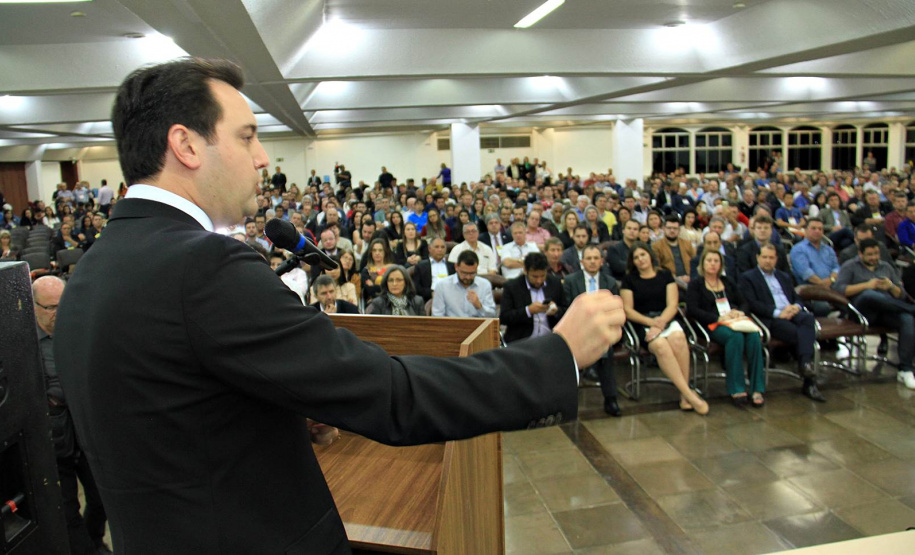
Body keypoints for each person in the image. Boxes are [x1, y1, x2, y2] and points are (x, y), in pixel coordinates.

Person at [53, 58, 625, 554]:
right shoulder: (204, 266)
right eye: (247, 137)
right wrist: (556, 356)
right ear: (186, 145)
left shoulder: (91, 271)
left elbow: (170, 422)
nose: (262, 158)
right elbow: (393, 396)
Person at [33, 276, 111, 555]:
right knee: (66, 510)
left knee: (102, 499)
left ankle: (95, 540)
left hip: (86, 433)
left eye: (62, 305)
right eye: (51, 307)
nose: (58, 312)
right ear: (34, 307)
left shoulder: (78, 331)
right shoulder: (23, 343)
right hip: (54, 441)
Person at [621, 243, 709, 414]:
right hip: (643, 322)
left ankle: (684, 394)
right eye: (636, 257)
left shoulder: (665, 275)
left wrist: (660, 322)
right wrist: (651, 322)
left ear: (650, 255)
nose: (640, 259)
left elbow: (673, 304)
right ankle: (689, 395)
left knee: (678, 339)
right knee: (661, 346)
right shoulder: (629, 280)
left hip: (665, 318)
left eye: (643, 255)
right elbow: (628, 311)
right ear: (632, 262)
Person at [739, 243, 826, 401]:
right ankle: (808, 378)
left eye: (771, 258)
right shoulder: (748, 278)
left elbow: (796, 297)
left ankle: (804, 365)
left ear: (777, 259)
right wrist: (778, 313)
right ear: (757, 258)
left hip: (791, 311)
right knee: (802, 335)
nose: (768, 261)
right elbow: (752, 304)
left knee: (808, 319)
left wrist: (796, 306)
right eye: (764, 257)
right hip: (772, 317)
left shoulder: (784, 276)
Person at [833, 238, 915, 389]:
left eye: (876, 254)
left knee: (907, 319)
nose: (874, 257)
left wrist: (891, 287)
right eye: (870, 254)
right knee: (869, 294)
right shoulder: (850, 266)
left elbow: (901, 294)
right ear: (860, 254)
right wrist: (867, 285)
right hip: (862, 312)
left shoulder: (886, 267)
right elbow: (839, 290)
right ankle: (911, 309)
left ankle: (905, 369)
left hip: (886, 311)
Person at [687, 250, 766, 407]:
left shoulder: (728, 281)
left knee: (754, 336)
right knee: (735, 337)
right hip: (712, 324)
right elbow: (692, 309)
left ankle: (757, 388)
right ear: (702, 264)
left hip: (735, 321)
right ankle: (737, 388)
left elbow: (744, 302)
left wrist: (739, 311)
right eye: (709, 260)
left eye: (716, 261)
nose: (712, 264)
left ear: (721, 264)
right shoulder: (696, 284)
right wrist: (717, 318)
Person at [564, 245, 623, 416]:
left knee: (605, 347)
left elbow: (614, 310)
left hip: (602, 330)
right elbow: (566, 309)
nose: (592, 262)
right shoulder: (570, 281)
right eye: (588, 258)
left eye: (596, 258)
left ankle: (611, 399)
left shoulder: (610, 282)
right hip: (577, 330)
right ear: (582, 262)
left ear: (602, 261)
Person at [501, 251, 565, 343]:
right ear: (525, 271)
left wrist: (556, 311)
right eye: (535, 276)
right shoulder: (512, 287)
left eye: (542, 276)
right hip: (522, 341)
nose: (539, 281)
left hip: (550, 340)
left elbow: (567, 310)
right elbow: (504, 317)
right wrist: (528, 311)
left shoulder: (555, 283)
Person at [789, 217, 840, 315]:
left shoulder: (828, 249)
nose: (817, 231)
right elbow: (806, 273)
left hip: (831, 285)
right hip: (810, 290)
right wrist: (823, 285)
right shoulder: (798, 249)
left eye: (820, 229)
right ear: (805, 230)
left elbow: (836, 267)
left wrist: (831, 280)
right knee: (823, 307)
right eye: (813, 228)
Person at [432, 250, 497, 318]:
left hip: (477, 324)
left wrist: (479, 306)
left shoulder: (485, 285)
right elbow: (437, 316)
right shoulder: (442, 286)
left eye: (472, 273)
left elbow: (492, 316)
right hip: (451, 323)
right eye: (464, 273)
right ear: (456, 267)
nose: (468, 277)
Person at [652, 214, 695, 285]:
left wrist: (690, 276)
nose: (672, 231)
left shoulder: (687, 244)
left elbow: (695, 262)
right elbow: (657, 268)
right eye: (669, 228)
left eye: (675, 228)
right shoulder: (656, 246)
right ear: (663, 228)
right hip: (669, 281)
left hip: (690, 279)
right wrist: (675, 278)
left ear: (679, 230)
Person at [412, 237, 454, 303]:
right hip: (429, 299)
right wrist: (432, 293)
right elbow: (417, 288)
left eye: (443, 247)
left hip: (450, 298)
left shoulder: (453, 266)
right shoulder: (421, 266)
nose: (440, 250)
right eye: (437, 247)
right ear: (429, 248)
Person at [361, 237, 394, 302]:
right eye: (374, 250)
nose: (377, 253)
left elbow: (395, 288)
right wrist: (386, 286)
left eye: (380, 250)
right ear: (371, 252)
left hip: (391, 300)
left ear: (385, 252)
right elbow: (370, 290)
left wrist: (374, 286)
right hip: (373, 302)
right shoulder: (366, 271)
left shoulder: (392, 269)